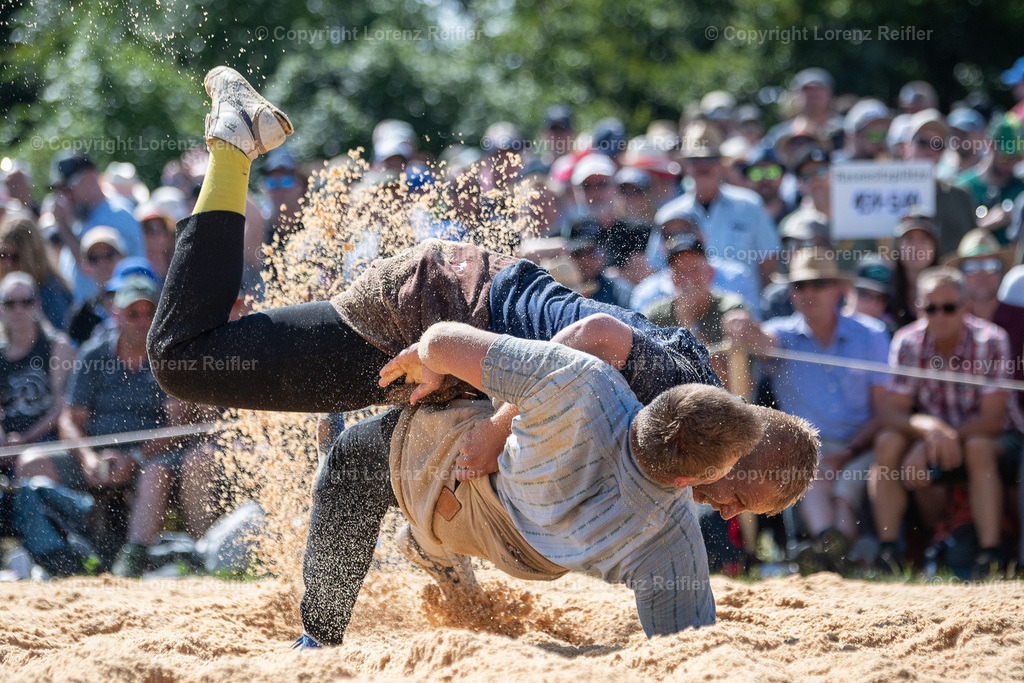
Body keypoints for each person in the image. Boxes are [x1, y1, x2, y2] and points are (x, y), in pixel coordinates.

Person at [150, 66, 819, 634]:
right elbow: (597, 338)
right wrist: (501, 423)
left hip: (475, 348)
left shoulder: (681, 444)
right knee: (187, 358)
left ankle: (342, 621)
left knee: (371, 461)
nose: (728, 511)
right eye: (742, 495)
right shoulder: (681, 391)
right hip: (446, 306)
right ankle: (233, 145)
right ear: (740, 447)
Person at [725, 248, 890, 573]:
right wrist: (740, 323)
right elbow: (759, 340)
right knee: (816, 475)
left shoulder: (871, 334)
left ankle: (827, 554)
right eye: (800, 285)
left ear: (838, 290)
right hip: (810, 450)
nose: (809, 293)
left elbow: (884, 412)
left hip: (865, 445)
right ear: (791, 293)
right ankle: (835, 552)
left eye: (818, 284)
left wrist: (850, 452)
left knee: (844, 490)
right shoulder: (782, 334)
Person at [872, 267, 1022, 576]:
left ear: (965, 307)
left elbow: (992, 421)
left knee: (978, 448)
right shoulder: (906, 341)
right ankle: (889, 553)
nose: (939, 315)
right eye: (931, 308)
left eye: (949, 307)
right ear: (918, 308)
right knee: (887, 442)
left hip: (998, 440)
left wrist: (935, 439)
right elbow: (891, 412)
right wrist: (929, 431)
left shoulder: (992, 339)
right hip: (937, 439)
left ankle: (989, 554)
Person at [659, 121, 780, 287]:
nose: (703, 165)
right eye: (695, 159)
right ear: (686, 166)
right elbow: (658, 269)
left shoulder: (750, 205)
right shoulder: (668, 214)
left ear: (723, 165)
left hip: (743, 309)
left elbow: (768, 265)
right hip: (687, 308)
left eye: (710, 158)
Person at [643, 232, 746, 389]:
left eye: (694, 270)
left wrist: (689, 324)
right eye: (679, 272)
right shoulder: (654, 315)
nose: (688, 279)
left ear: (710, 273)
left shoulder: (730, 309)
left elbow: (726, 382)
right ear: (671, 279)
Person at [0, 273, 75, 476]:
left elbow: (62, 406)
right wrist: (4, 441)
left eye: (26, 302)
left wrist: (25, 438)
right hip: (7, 445)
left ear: (37, 304)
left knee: (30, 462)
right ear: (1, 308)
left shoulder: (57, 346)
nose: (18, 310)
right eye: (10, 303)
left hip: (48, 441)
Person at [48, 154, 144, 304]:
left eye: (68, 188)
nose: (64, 196)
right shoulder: (82, 219)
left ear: (90, 178)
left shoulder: (116, 214)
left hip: (116, 312)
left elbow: (95, 268)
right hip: (90, 315)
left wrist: (62, 226)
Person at [0, 216, 73, 331]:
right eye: (3, 255)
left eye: (15, 257)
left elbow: (60, 338)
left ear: (31, 257)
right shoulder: (4, 289)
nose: (7, 263)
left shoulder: (52, 292)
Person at [888, 210, 941, 329]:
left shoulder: (950, 291)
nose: (916, 247)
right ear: (897, 246)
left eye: (924, 239)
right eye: (909, 239)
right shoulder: (883, 290)